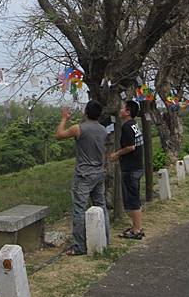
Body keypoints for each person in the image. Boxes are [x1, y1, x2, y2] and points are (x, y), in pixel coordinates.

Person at [55, 100, 110, 256]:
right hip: (99, 173)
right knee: (101, 206)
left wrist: (64, 118)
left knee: (79, 209)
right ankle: (105, 238)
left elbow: (59, 135)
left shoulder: (78, 128)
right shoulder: (103, 130)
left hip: (84, 174)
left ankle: (79, 246)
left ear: (86, 112)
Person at [110, 99, 144, 240]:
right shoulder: (134, 125)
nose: (120, 110)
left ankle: (136, 230)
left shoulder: (126, 127)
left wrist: (116, 154)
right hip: (137, 165)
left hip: (131, 168)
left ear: (128, 112)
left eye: (122, 108)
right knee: (134, 196)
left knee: (132, 199)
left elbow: (131, 147)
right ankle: (137, 226)